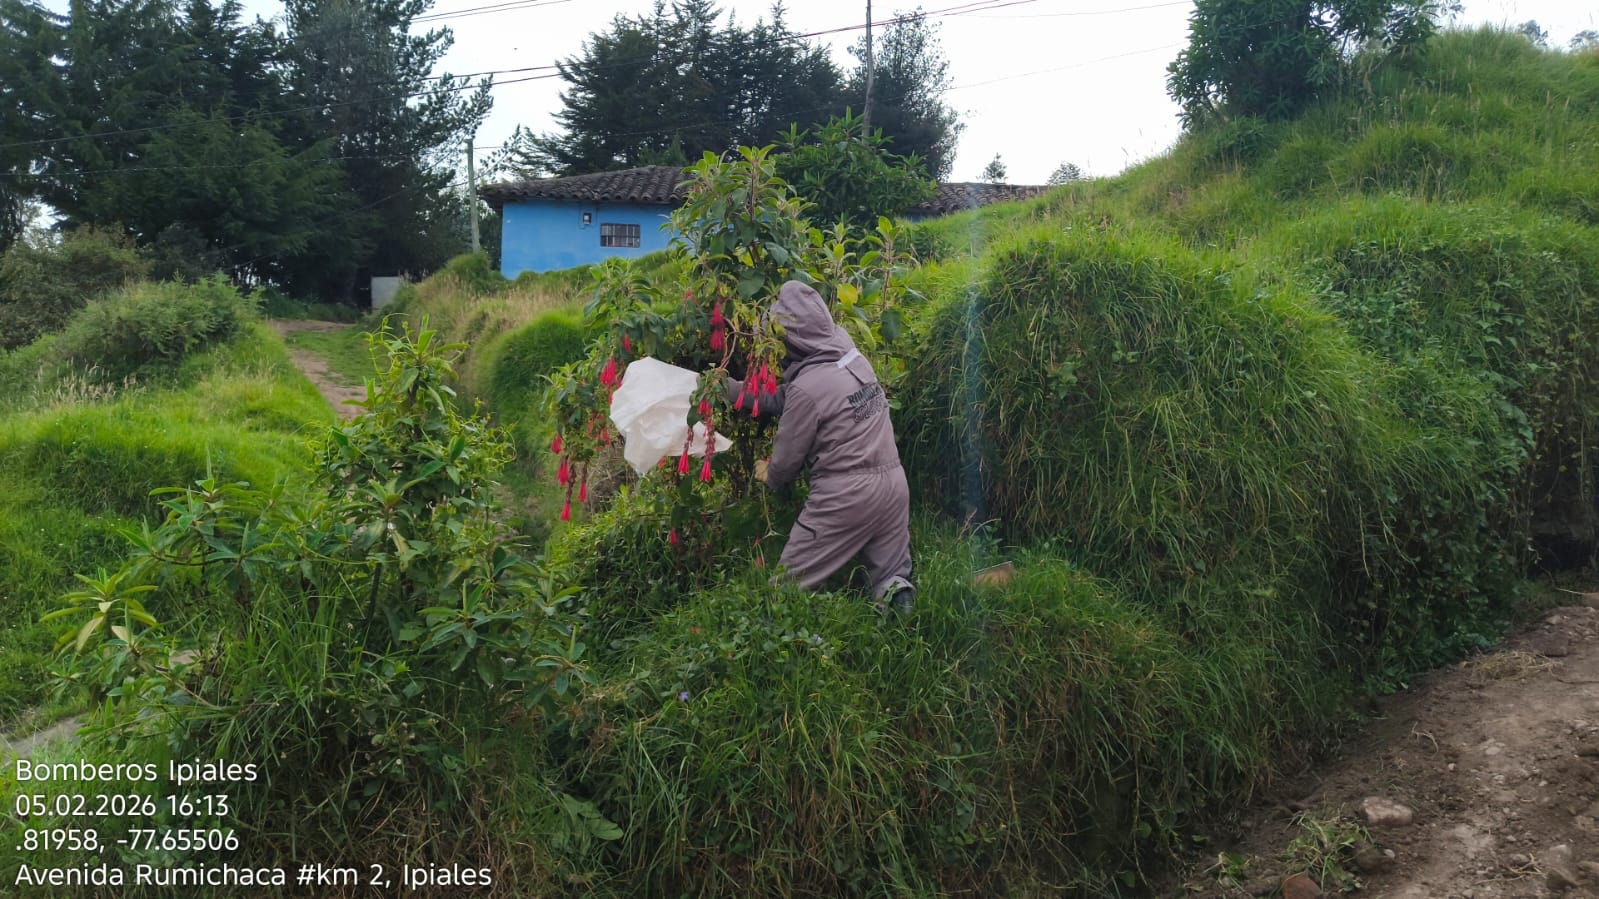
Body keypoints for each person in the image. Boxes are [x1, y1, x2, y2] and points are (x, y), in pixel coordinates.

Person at [728, 280, 915, 614]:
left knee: (788, 589)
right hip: (894, 485)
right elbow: (787, 396)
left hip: (845, 497)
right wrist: (731, 389)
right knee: (891, 574)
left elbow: (786, 463)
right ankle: (901, 612)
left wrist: (770, 474)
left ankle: (800, 642)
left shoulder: (807, 388)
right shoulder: (847, 352)